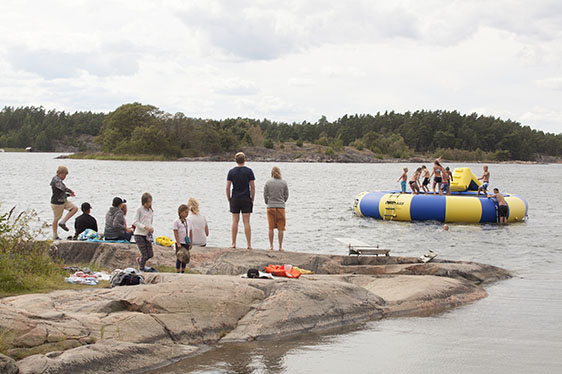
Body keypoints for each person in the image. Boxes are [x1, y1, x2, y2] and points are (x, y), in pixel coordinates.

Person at [226, 152, 255, 249]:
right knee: (246, 221)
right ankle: (249, 244)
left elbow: (227, 187)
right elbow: (252, 187)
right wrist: (252, 198)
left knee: (235, 220)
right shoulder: (249, 171)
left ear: (235, 160)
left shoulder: (231, 172)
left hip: (235, 197)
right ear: (244, 160)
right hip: (246, 197)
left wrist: (229, 198)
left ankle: (233, 243)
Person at [263, 166, 289, 251]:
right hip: (281, 207)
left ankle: (271, 246)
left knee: (271, 227)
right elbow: (286, 195)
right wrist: (282, 201)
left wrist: (268, 202)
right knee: (281, 228)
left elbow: (265, 194)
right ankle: (280, 246)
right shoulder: (284, 182)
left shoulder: (268, 182)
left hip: (270, 206)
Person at [50, 166, 78, 240]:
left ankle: (63, 222)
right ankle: (55, 235)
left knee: (74, 208)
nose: (65, 177)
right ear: (60, 173)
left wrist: (69, 195)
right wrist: (70, 191)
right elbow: (62, 188)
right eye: (64, 175)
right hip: (57, 203)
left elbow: (61, 193)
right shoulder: (56, 180)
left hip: (63, 201)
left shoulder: (59, 180)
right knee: (56, 219)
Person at [133, 192, 155, 271]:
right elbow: (135, 222)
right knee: (144, 254)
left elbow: (150, 222)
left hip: (147, 235)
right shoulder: (139, 210)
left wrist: (151, 228)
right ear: (144, 202)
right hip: (139, 234)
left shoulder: (150, 211)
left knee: (150, 254)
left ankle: (140, 261)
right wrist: (145, 227)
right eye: (147, 202)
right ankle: (141, 269)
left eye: (150, 202)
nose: (149, 204)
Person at [173, 204, 192, 273]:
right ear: (180, 212)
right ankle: (178, 271)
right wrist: (178, 242)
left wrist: (191, 242)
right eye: (185, 212)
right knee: (179, 257)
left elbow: (190, 231)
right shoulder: (177, 221)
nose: (187, 214)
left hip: (186, 242)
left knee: (185, 257)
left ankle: (183, 270)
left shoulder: (188, 221)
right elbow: (175, 232)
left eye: (188, 212)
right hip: (180, 242)